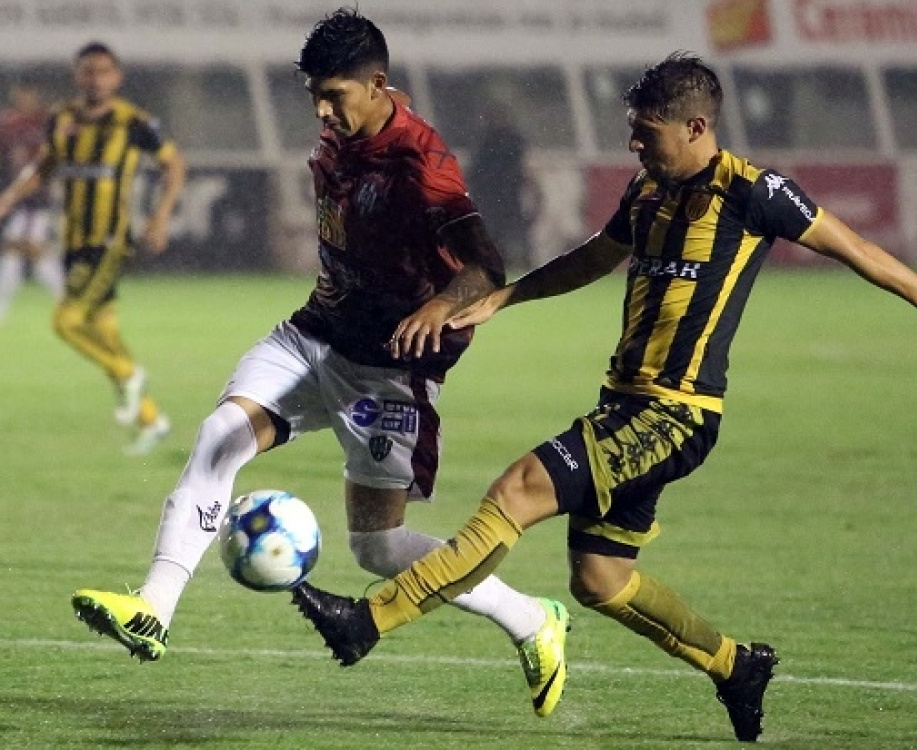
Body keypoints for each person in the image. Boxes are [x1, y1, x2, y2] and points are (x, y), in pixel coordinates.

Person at [289, 52, 917, 742]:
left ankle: (368, 622)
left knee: (516, 493)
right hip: (626, 404)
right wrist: (507, 296)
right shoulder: (648, 190)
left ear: (695, 127)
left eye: (646, 133)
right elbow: (594, 256)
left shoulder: (754, 192)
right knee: (601, 578)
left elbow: (854, 247)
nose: (633, 145)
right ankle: (734, 665)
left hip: (675, 411)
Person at [70, 9, 570, 720]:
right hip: (313, 333)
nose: (322, 111)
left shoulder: (420, 163)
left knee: (379, 548)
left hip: (387, 366)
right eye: (314, 95)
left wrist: (440, 304)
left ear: (377, 84)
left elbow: (486, 265)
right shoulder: (345, 131)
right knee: (219, 437)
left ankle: (531, 618)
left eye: (334, 95)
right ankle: (153, 608)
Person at [0, 43, 185, 455]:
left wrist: (159, 217)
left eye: (103, 71)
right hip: (73, 241)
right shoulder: (62, 118)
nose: (95, 79)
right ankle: (151, 419)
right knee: (104, 332)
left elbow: (174, 165)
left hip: (109, 241)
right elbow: (45, 166)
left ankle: (128, 374)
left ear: (117, 77)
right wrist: (10, 197)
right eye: (88, 71)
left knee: (66, 322)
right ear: (77, 75)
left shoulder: (133, 122)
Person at [0, 77, 63, 322]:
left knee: (21, 247)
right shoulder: (8, 124)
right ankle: (66, 299)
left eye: (28, 94)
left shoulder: (45, 122)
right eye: (20, 94)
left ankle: (65, 298)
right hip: (15, 194)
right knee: (19, 251)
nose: (24, 99)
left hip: (36, 196)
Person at [466, 102, 539, 271]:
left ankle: (519, 260)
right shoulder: (493, 140)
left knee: (509, 230)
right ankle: (510, 261)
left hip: (503, 193)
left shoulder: (498, 140)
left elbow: (476, 170)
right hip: (496, 193)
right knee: (501, 230)